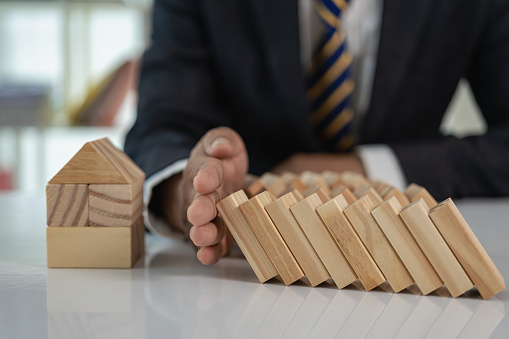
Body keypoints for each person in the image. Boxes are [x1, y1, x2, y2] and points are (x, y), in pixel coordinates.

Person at [124, 0, 509, 265]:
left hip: (408, 259)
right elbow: (161, 124)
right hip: (244, 265)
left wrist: (360, 169)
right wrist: (187, 192)